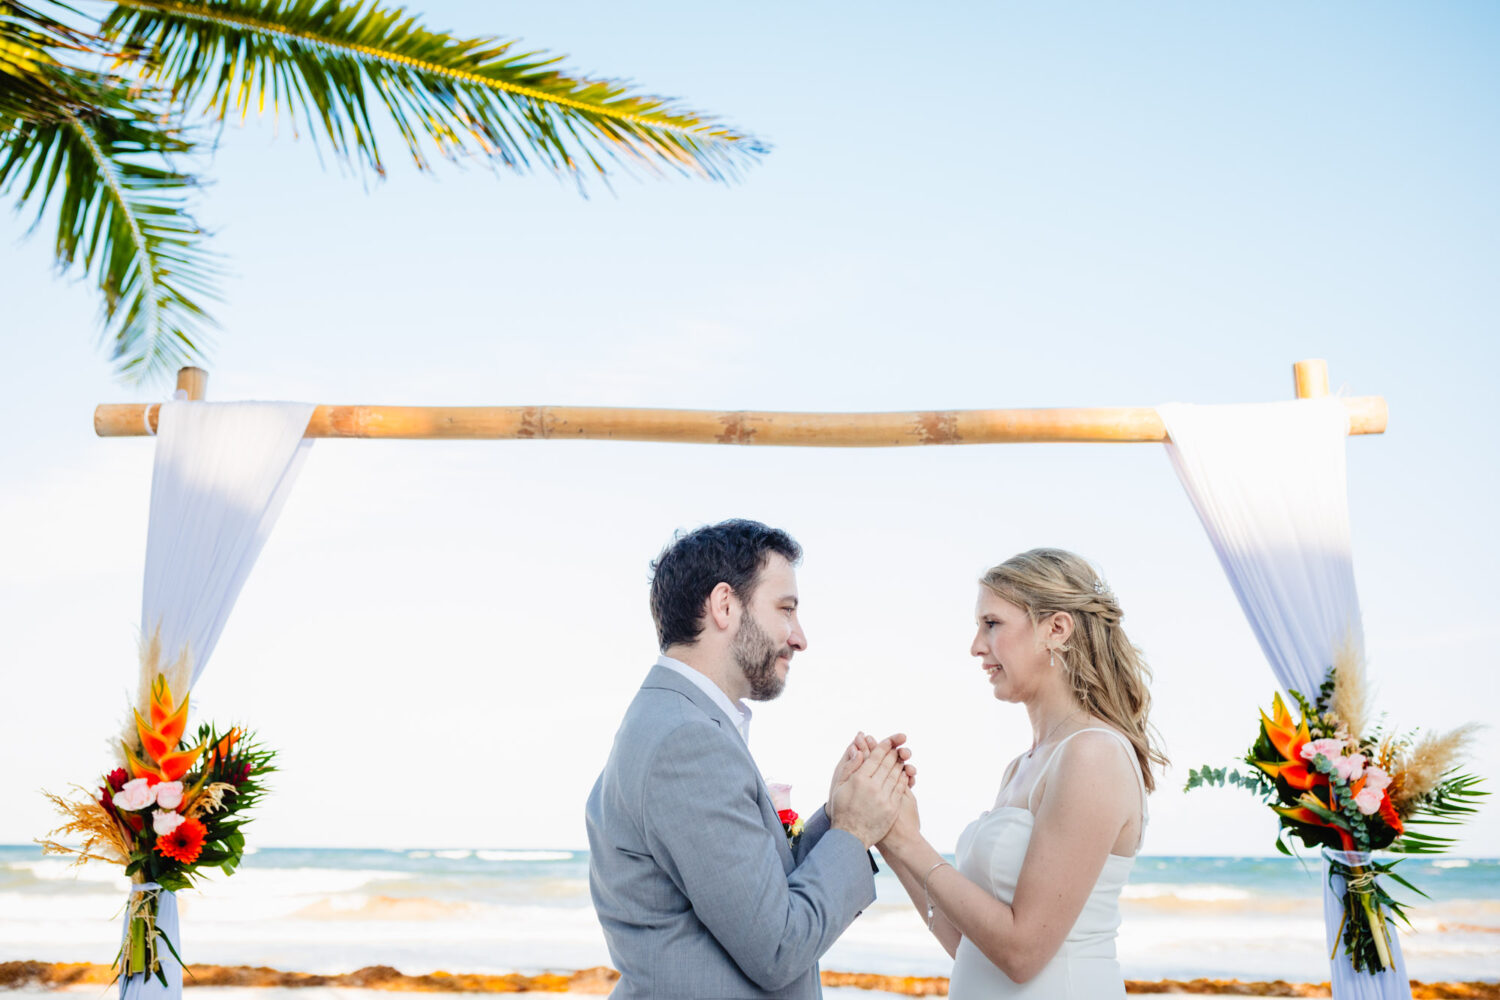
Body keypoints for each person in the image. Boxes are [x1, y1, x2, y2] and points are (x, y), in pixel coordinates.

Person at [586, 519, 912, 999]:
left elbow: (754, 895)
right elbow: (778, 947)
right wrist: (854, 832)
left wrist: (839, 816)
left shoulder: (678, 721)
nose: (799, 637)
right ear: (724, 605)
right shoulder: (687, 740)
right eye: (786, 610)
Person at [875, 548, 1168, 998]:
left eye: (991, 624)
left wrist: (909, 845)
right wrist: (892, 833)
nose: (975, 646)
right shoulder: (1023, 766)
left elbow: (1022, 954)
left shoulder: (1093, 755)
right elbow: (971, 946)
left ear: (1056, 629)